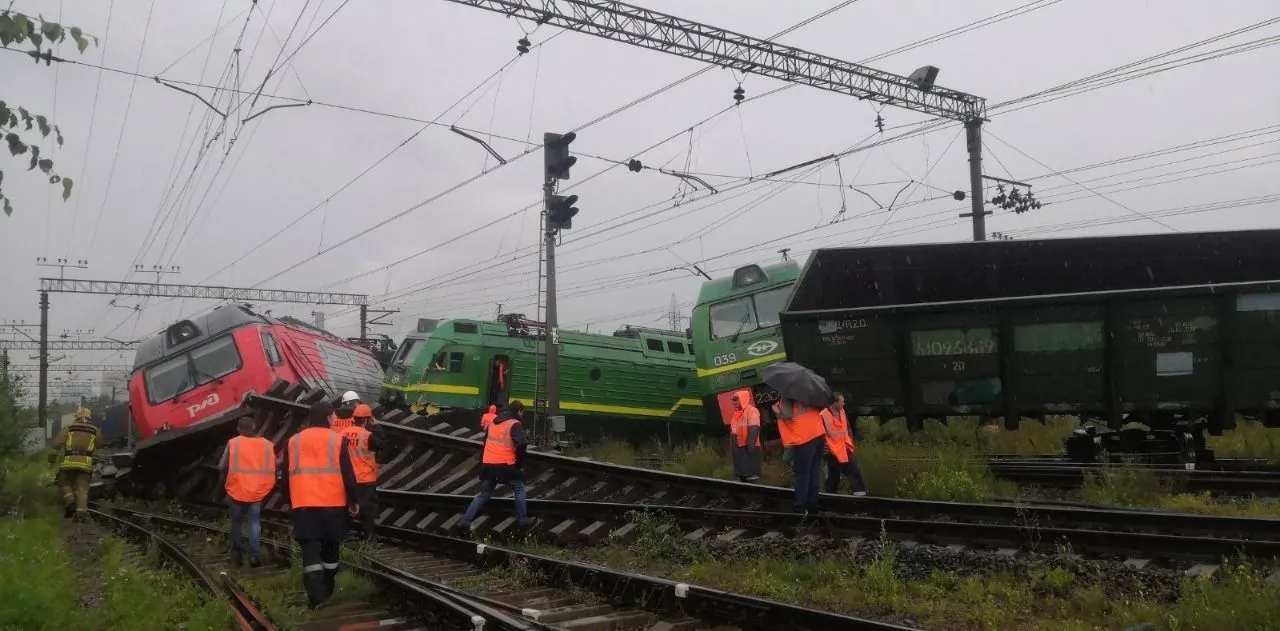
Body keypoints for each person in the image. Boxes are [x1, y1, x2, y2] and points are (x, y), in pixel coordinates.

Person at [282, 400, 359, 609]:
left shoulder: (293, 441)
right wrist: (353, 500)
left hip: (304, 504)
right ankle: (327, 588)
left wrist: (290, 501)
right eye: (333, 416)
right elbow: (348, 474)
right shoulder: (337, 440)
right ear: (327, 417)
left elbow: (285, 476)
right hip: (333, 505)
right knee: (331, 547)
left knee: (310, 550)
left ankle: (316, 596)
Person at [459, 401, 533, 530]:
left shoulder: (493, 422)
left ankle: (465, 521)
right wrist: (518, 464)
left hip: (489, 463)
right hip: (505, 464)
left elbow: (486, 442)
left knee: (484, 494)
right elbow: (521, 444)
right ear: (519, 411)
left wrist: (484, 461)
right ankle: (523, 520)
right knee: (519, 488)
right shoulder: (514, 424)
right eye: (522, 412)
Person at [219, 416, 277, 567]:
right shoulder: (267, 445)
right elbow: (274, 468)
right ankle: (254, 556)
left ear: (239, 429)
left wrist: (225, 483)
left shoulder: (233, 443)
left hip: (236, 490)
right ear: (254, 428)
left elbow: (223, 466)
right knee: (254, 523)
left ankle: (237, 555)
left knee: (236, 523)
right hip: (257, 492)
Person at [340, 404, 387, 540]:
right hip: (365, 477)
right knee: (368, 509)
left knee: (347, 506)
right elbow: (382, 443)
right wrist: (377, 425)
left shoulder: (343, 433)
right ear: (367, 419)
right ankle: (368, 536)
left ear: (353, 418)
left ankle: (345, 534)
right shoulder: (368, 435)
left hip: (348, 477)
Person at [772, 397, 826, 515]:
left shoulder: (787, 396)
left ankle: (800, 509)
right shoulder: (808, 393)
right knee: (814, 472)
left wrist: (775, 409)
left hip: (804, 438)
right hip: (818, 433)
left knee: (802, 475)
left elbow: (786, 415)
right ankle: (813, 507)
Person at [50, 407, 99, 520]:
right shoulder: (95, 430)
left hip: (69, 463)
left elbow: (57, 444)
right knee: (82, 488)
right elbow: (100, 444)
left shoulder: (69, 428)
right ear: (89, 417)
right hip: (85, 464)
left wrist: (55, 446)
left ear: (76, 417)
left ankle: (70, 502)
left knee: (63, 482)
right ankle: (81, 515)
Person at [820, 393, 868, 496]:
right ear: (835, 403)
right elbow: (821, 434)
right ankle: (830, 498)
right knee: (833, 476)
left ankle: (860, 494)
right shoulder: (823, 415)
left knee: (853, 471)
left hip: (844, 448)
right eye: (842, 401)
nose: (844, 403)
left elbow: (847, 428)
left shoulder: (842, 412)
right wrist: (826, 449)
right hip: (831, 451)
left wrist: (849, 440)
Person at [729, 390, 761, 483]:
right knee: (742, 477)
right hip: (739, 448)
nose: (733, 402)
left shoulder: (752, 411)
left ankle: (755, 495)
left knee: (752, 477)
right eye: (733, 400)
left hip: (749, 447)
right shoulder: (736, 414)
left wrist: (751, 446)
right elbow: (733, 432)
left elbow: (754, 428)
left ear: (742, 399)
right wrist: (733, 448)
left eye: (736, 399)